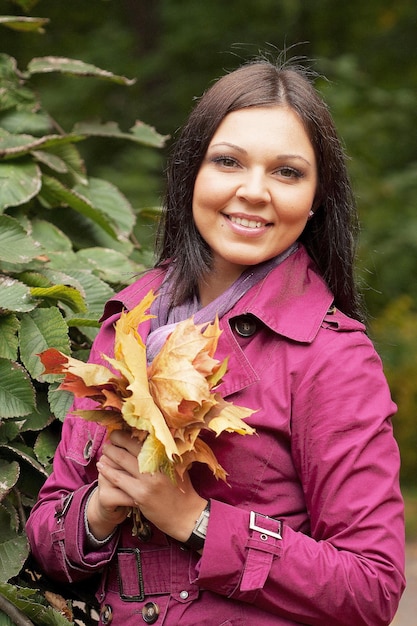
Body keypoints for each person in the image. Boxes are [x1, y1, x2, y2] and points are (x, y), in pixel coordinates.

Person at [26, 56, 405, 626]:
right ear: (191, 173)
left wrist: (196, 519)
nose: (253, 192)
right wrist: (101, 509)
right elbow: (48, 541)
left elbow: (371, 588)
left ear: (317, 196)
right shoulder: (129, 321)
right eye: (228, 162)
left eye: (287, 172)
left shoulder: (330, 356)